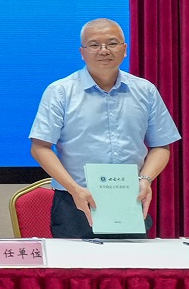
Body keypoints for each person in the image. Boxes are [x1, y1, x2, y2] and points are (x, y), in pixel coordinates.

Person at [29, 18, 180, 238]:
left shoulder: (145, 91)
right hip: (75, 201)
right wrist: (74, 188)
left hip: (130, 199)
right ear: (82, 52)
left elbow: (161, 146)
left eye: (112, 43)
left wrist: (146, 179)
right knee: (75, 261)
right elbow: (40, 147)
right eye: (94, 45)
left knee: (133, 260)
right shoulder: (60, 92)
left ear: (124, 49)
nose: (104, 51)